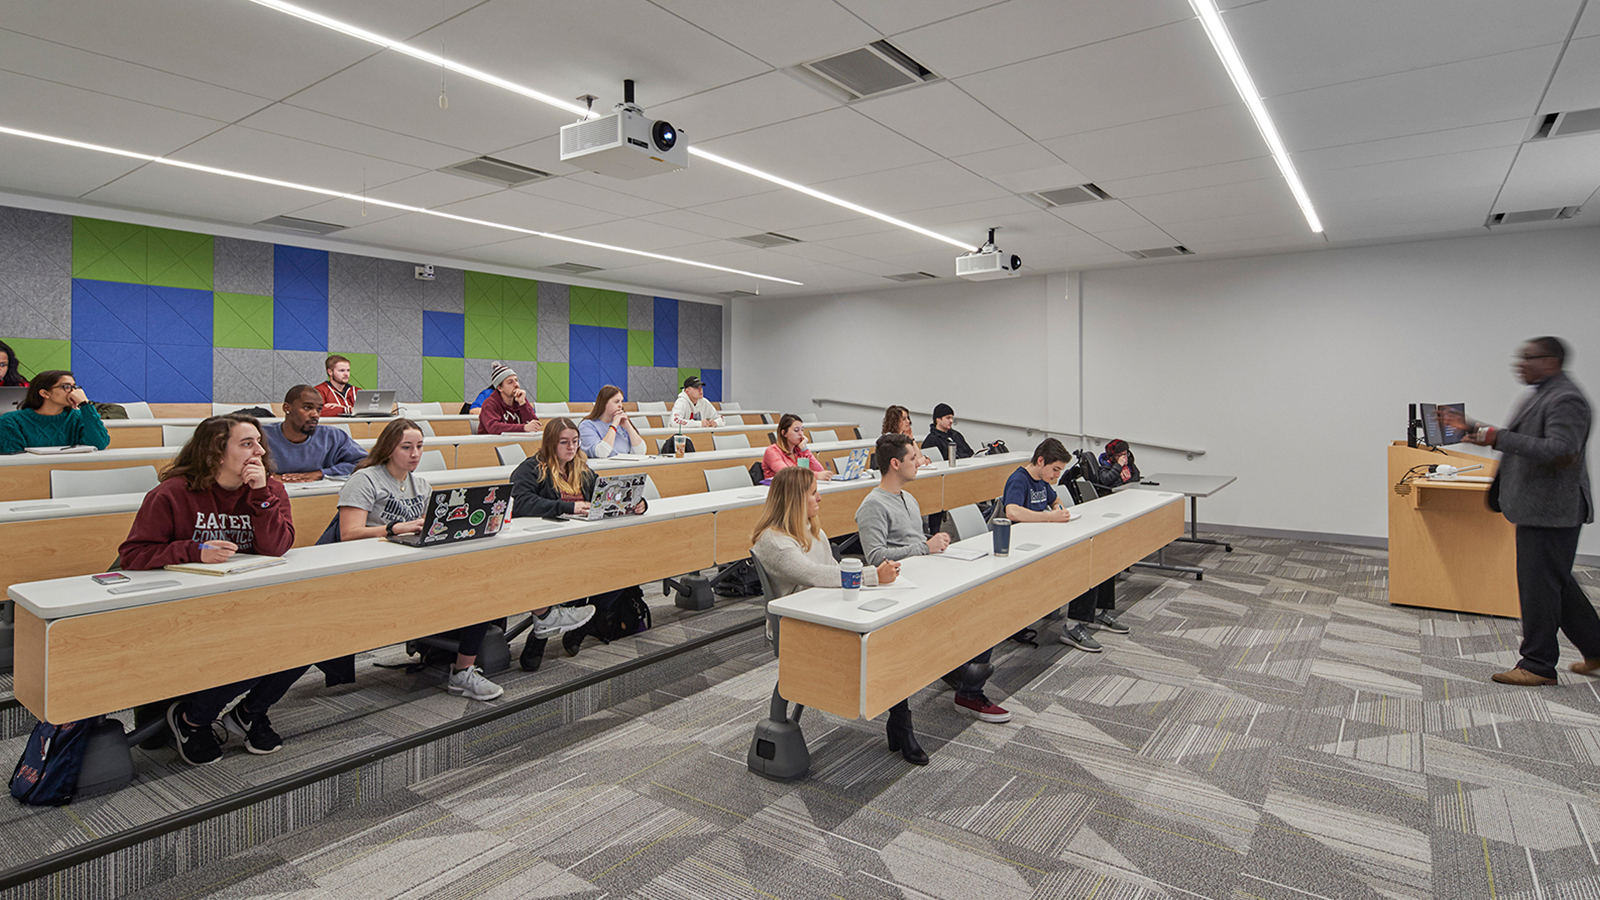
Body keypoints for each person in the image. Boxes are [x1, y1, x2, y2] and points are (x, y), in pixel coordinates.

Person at [117, 415, 302, 764]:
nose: (260, 451)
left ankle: (249, 711)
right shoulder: (173, 493)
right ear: (217, 452)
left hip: (254, 599)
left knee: (313, 635)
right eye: (247, 444)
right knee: (253, 647)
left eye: (259, 442)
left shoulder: (270, 488)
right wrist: (193, 551)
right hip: (190, 608)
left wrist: (260, 496)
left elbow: (278, 547)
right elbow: (132, 554)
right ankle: (193, 720)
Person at [1439, 337, 1598, 686]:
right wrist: (1479, 430)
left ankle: (1538, 665)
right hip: (1541, 509)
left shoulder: (1565, 398)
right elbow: (1522, 440)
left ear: (1552, 360)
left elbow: (1561, 451)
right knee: (1557, 584)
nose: (1519, 364)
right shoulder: (1545, 393)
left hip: (1551, 511)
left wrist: (1496, 437)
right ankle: (1597, 650)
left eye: (1528, 358)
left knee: (1539, 589)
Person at [857, 433, 1012, 762]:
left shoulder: (908, 498)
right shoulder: (872, 505)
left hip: (925, 574)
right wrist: (924, 547)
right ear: (895, 464)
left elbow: (915, 542)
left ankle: (962, 670)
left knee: (982, 598)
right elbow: (875, 558)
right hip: (897, 588)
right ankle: (901, 723)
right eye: (913, 459)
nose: (920, 463)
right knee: (904, 646)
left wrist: (935, 544)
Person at [335, 419, 511, 701]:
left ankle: (463, 672)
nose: (415, 453)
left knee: (481, 588)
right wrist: (394, 528)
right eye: (407, 447)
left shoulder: (421, 484)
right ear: (389, 448)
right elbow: (348, 534)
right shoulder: (365, 480)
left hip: (418, 564)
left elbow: (431, 527)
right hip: (378, 571)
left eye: (419, 446)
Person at [752, 465, 903, 749]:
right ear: (795, 500)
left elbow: (833, 571)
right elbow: (814, 575)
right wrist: (871, 576)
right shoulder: (774, 541)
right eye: (813, 493)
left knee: (890, 625)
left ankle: (899, 713)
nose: (819, 498)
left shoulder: (812, 532)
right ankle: (899, 716)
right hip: (798, 626)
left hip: (826, 610)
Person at [510, 417, 640, 660]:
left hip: (584, 541)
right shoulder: (532, 468)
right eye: (564, 442)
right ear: (550, 443)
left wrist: (635, 503)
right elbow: (521, 502)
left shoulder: (582, 468)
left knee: (623, 571)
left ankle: (581, 627)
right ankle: (540, 637)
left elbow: (606, 494)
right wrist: (567, 507)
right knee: (573, 578)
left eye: (575, 442)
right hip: (549, 546)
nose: (571, 448)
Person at [1002, 438, 1128, 651]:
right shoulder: (1019, 479)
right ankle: (1073, 625)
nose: (1057, 476)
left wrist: (1058, 509)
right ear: (1040, 461)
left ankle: (1097, 611)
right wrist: (1050, 518)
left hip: (1045, 538)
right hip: (1024, 547)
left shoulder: (1042, 481)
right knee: (1083, 559)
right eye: (1055, 469)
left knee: (1099, 550)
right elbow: (1012, 511)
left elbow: (1055, 500)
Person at [262, 384, 367, 482]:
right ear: (287, 408)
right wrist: (267, 476)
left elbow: (365, 462)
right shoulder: (261, 435)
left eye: (319, 409)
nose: (315, 414)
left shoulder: (333, 436)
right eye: (307, 407)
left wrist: (321, 473)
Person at [0, 369, 111, 454]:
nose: (73, 392)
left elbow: (99, 444)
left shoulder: (78, 417)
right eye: (66, 387)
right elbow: (15, 459)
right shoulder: (11, 421)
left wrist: (85, 405)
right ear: (44, 393)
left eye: (74, 387)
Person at [762, 413, 833, 482]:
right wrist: (816, 476)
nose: (801, 434)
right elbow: (787, 474)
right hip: (778, 492)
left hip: (797, 489)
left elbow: (820, 471)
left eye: (802, 430)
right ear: (784, 433)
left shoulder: (799, 450)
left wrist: (804, 449)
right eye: (796, 430)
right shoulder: (772, 451)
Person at [579, 385, 645, 458]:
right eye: (616, 402)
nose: (621, 406)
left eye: (621, 401)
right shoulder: (587, 425)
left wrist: (628, 427)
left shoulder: (622, 424)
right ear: (604, 403)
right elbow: (601, 453)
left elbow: (641, 452)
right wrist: (614, 426)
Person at [478, 361, 541, 435]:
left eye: (516, 380)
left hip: (516, 442)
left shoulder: (520, 399)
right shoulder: (490, 403)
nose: (516, 385)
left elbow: (535, 425)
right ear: (500, 388)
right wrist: (523, 428)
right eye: (510, 382)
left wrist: (523, 404)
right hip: (490, 444)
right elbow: (494, 428)